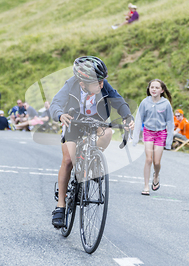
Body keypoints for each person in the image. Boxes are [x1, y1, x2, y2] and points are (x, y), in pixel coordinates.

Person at [49, 56, 134, 228]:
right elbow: (55, 103)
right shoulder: (72, 84)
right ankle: (61, 206)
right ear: (83, 84)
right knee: (67, 161)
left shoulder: (103, 84)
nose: (102, 85)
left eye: (103, 81)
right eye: (98, 83)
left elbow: (118, 101)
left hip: (95, 122)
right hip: (73, 123)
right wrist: (60, 114)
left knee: (108, 132)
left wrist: (127, 116)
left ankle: (93, 160)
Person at [132, 79, 174, 196]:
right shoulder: (145, 102)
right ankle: (146, 186)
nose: (154, 89)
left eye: (156, 87)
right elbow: (139, 119)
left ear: (162, 90)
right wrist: (135, 138)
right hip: (148, 132)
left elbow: (170, 122)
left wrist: (169, 142)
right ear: (149, 89)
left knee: (156, 162)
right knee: (148, 159)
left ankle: (156, 175)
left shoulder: (166, 104)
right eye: (152, 87)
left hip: (161, 133)